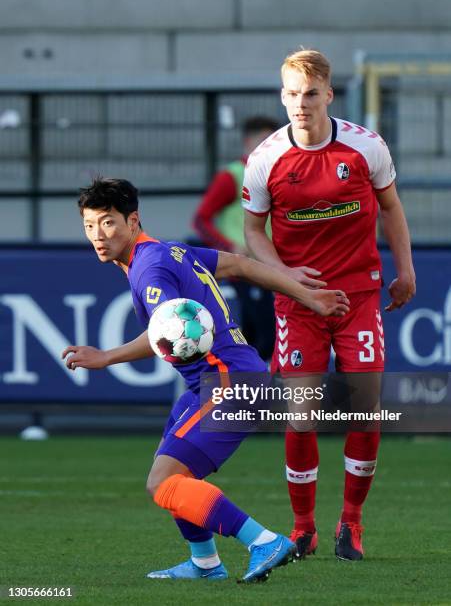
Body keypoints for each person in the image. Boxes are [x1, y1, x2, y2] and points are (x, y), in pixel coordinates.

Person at [61, 176, 350, 582]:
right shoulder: (169, 251)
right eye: (90, 225)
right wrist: (305, 294)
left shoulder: (149, 268)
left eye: (107, 223)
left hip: (229, 384)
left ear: (132, 221)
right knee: (176, 475)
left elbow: (166, 328)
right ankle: (205, 564)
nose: (97, 235)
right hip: (219, 382)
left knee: (162, 483)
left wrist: (107, 356)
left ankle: (263, 541)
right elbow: (239, 264)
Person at [243, 49, 416, 561]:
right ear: (282, 95)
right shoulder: (266, 159)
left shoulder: (365, 147)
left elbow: (390, 206)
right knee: (301, 416)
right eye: (292, 94)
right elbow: (254, 229)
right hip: (298, 303)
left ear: (328, 95)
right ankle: (303, 528)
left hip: (359, 295)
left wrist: (405, 269)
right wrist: (286, 276)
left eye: (311, 94)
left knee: (365, 411)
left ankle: (352, 524)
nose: (301, 103)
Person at [193, 116, 279, 360]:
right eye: (263, 140)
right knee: (263, 338)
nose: (269, 147)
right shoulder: (232, 176)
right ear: (247, 142)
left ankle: (248, 394)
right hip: (243, 271)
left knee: (258, 340)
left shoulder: (280, 176)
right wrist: (229, 246)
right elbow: (201, 220)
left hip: (271, 267)